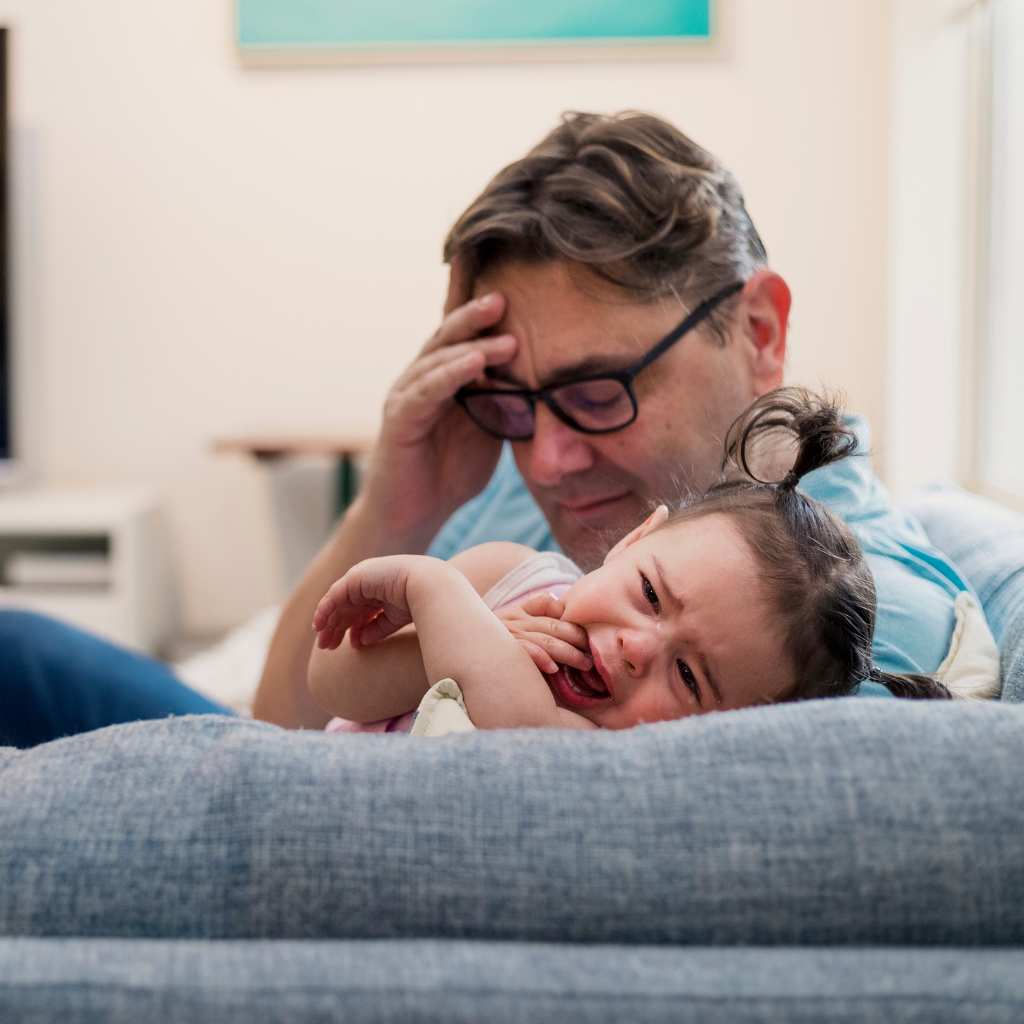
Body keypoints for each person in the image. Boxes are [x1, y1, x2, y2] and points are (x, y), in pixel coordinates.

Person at [0, 110, 984, 748]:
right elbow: (286, 717)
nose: (548, 457)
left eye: (601, 389)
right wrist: (402, 500)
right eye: (510, 401)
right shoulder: (585, 492)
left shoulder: (839, 622)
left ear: (758, 330)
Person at [308, 388, 953, 736]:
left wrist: (434, 591)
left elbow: (518, 733)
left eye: (691, 678)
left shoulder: (611, 751)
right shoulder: (508, 578)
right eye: (649, 593)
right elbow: (332, 682)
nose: (640, 648)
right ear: (634, 540)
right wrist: (448, 639)